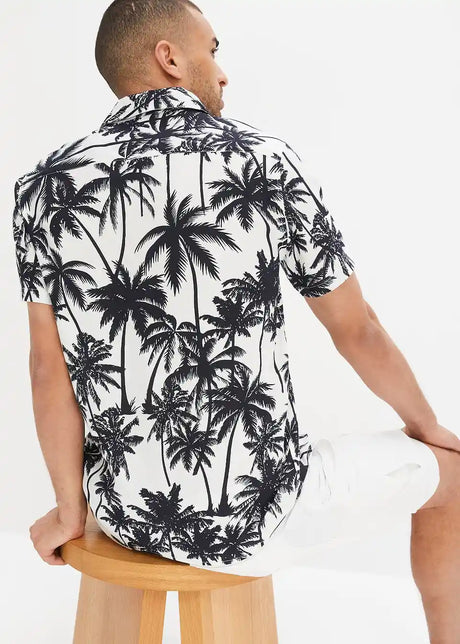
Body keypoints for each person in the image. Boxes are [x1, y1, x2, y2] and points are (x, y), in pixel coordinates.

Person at [12, 0, 459, 640]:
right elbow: (356, 328)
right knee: (454, 479)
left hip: (125, 511)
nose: (222, 72)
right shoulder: (263, 159)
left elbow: (45, 368)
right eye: (213, 49)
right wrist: (426, 426)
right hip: (255, 515)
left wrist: (68, 509)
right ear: (169, 57)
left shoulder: (44, 184)